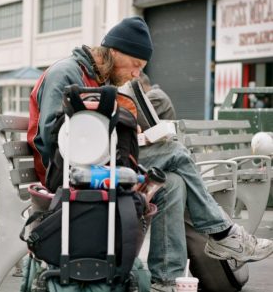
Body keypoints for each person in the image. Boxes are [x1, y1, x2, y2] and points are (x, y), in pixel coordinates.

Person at [26, 16, 273, 292]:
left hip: (93, 166)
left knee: (173, 183)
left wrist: (133, 139)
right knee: (175, 151)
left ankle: (166, 280)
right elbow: (54, 139)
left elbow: (92, 133)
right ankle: (223, 233)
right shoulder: (66, 73)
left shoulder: (93, 77)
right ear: (116, 51)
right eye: (136, 65)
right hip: (67, 174)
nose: (136, 74)